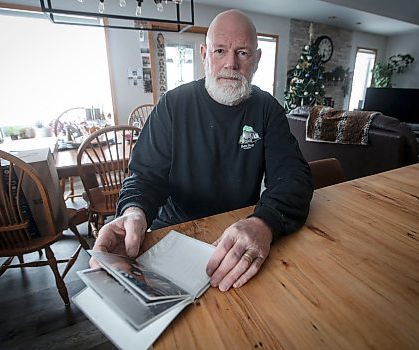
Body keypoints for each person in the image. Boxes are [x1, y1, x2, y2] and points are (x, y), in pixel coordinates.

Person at [90, 9, 313, 292]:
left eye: (242, 53)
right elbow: (145, 176)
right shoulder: (173, 105)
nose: (231, 63)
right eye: (220, 50)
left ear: (256, 59)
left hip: (241, 233)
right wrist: (134, 212)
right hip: (173, 233)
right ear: (204, 54)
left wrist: (264, 221)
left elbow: (294, 177)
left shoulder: (267, 109)